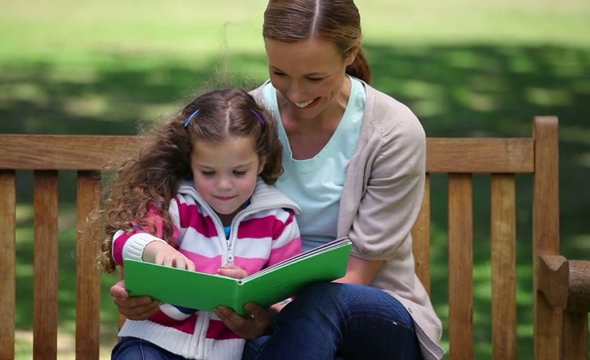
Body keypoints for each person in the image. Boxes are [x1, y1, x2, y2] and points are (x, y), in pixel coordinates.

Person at [110, 0, 446, 358]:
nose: (296, 95)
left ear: (351, 51)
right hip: (258, 321)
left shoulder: (392, 131)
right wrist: (146, 288)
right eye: (280, 73)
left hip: (372, 318)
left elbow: (358, 271)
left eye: (315, 78)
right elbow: (180, 213)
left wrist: (273, 316)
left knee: (321, 300)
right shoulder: (242, 123)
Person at [99, 88, 303, 360]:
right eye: (208, 172)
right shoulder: (175, 205)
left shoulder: (278, 220)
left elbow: (289, 298)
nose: (224, 185)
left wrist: (255, 301)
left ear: (261, 161)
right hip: (154, 343)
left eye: (239, 172)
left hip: (233, 352)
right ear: (191, 163)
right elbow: (122, 241)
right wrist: (155, 248)